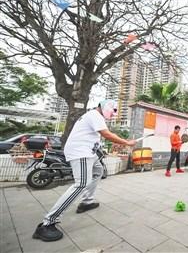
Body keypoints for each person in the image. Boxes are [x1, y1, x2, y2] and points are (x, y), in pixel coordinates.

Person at [32, 100, 136, 242]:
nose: (113, 114)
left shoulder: (93, 117)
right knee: (81, 184)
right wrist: (126, 142)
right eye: (113, 111)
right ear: (106, 106)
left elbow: (97, 138)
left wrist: (110, 147)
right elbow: (107, 134)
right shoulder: (94, 115)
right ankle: (48, 222)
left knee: (98, 171)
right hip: (80, 153)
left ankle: (87, 202)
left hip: (88, 153)